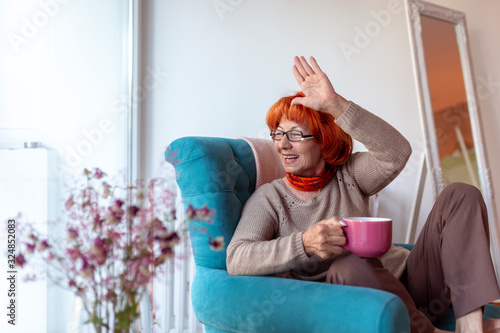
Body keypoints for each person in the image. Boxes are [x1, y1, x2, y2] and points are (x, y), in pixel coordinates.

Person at [226, 56, 500, 333]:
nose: (282, 144)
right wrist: (305, 243)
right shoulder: (270, 198)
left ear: (323, 140)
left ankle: (471, 325)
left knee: (460, 193)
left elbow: (397, 153)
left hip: (411, 282)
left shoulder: (349, 175)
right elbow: (237, 258)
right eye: (277, 133)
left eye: (295, 134)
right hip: (366, 297)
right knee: (350, 263)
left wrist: (336, 105)